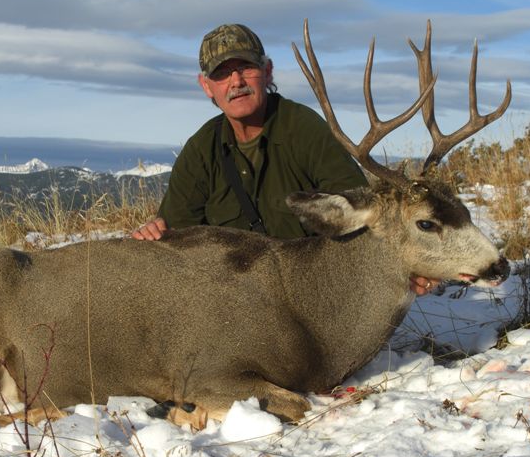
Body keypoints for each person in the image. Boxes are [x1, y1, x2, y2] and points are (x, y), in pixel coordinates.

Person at [132, 23, 438, 295]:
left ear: (267, 72)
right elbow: (177, 237)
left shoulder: (304, 129)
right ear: (206, 86)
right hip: (229, 297)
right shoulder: (201, 150)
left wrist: (408, 259)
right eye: (222, 74)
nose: (236, 81)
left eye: (246, 68)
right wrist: (155, 234)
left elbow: (358, 208)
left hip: (308, 291)